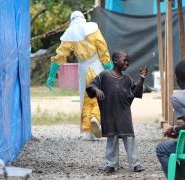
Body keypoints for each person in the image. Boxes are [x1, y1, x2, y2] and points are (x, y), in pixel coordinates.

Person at [46, 11, 113, 140]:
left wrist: (51, 75)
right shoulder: (93, 29)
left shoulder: (70, 34)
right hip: (96, 65)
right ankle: (96, 118)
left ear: (72, 20)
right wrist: (108, 65)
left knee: (86, 96)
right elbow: (102, 47)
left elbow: (60, 56)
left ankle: (88, 133)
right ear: (83, 18)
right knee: (100, 93)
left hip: (83, 68)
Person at [86, 50, 147, 173]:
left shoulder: (127, 79)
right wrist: (96, 89)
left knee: (129, 137)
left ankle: (135, 164)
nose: (127, 63)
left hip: (124, 114)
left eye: (128, 61)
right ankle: (111, 164)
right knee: (112, 138)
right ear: (115, 60)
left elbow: (136, 92)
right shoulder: (104, 75)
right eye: (124, 60)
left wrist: (142, 79)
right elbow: (91, 85)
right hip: (109, 114)